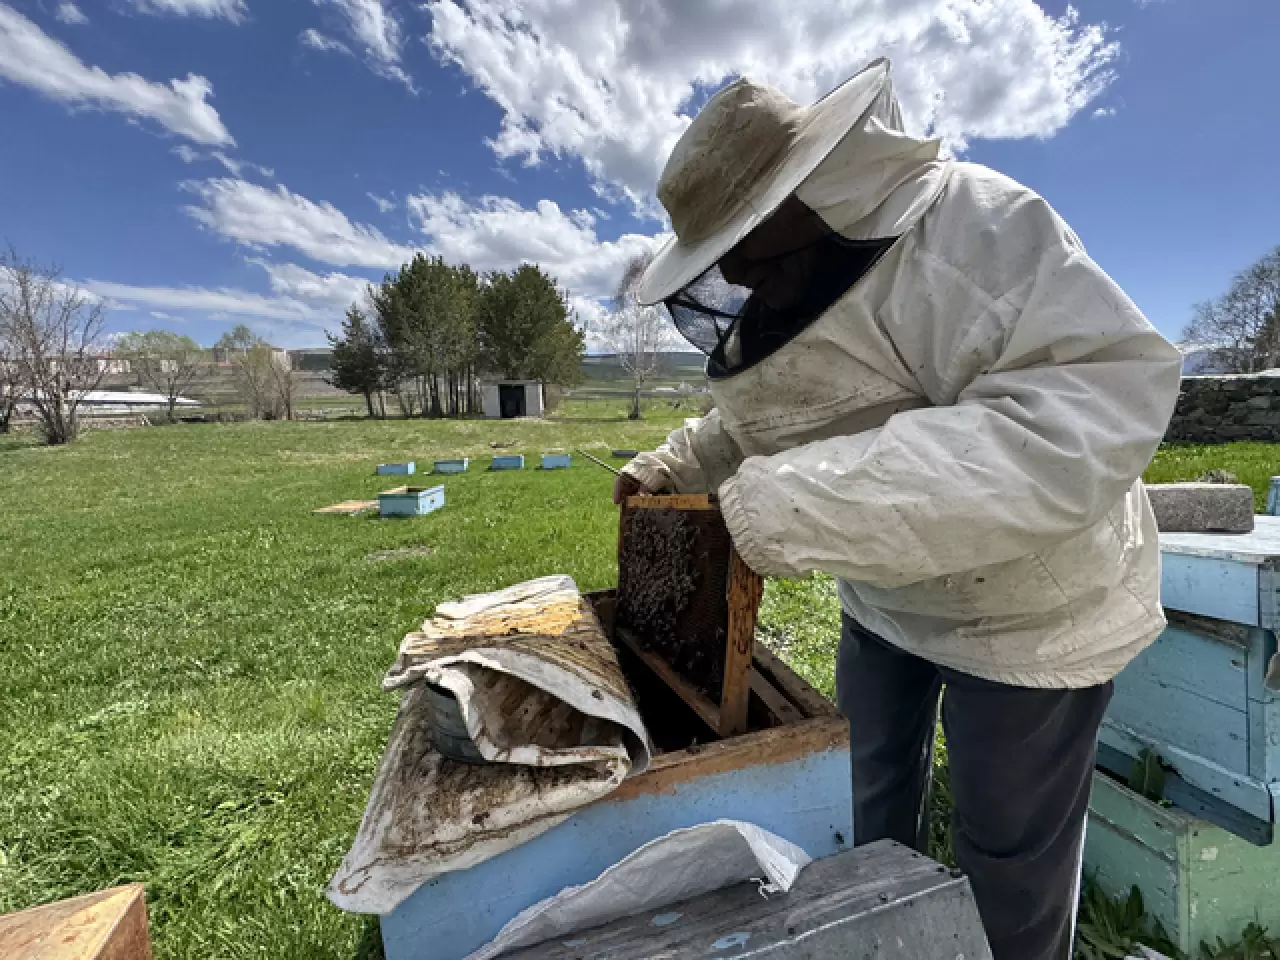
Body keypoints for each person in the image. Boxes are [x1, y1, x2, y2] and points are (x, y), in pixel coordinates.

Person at [614, 58, 1182, 960]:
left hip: (1030, 613)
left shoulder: (980, 229)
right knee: (868, 806)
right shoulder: (780, 286)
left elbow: (1091, 407)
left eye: (747, 242)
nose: (742, 275)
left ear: (810, 191)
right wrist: (671, 465)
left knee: (1008, 853)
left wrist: (791, 505)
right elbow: (763, 415)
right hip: (885, 598)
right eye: (722, 256)